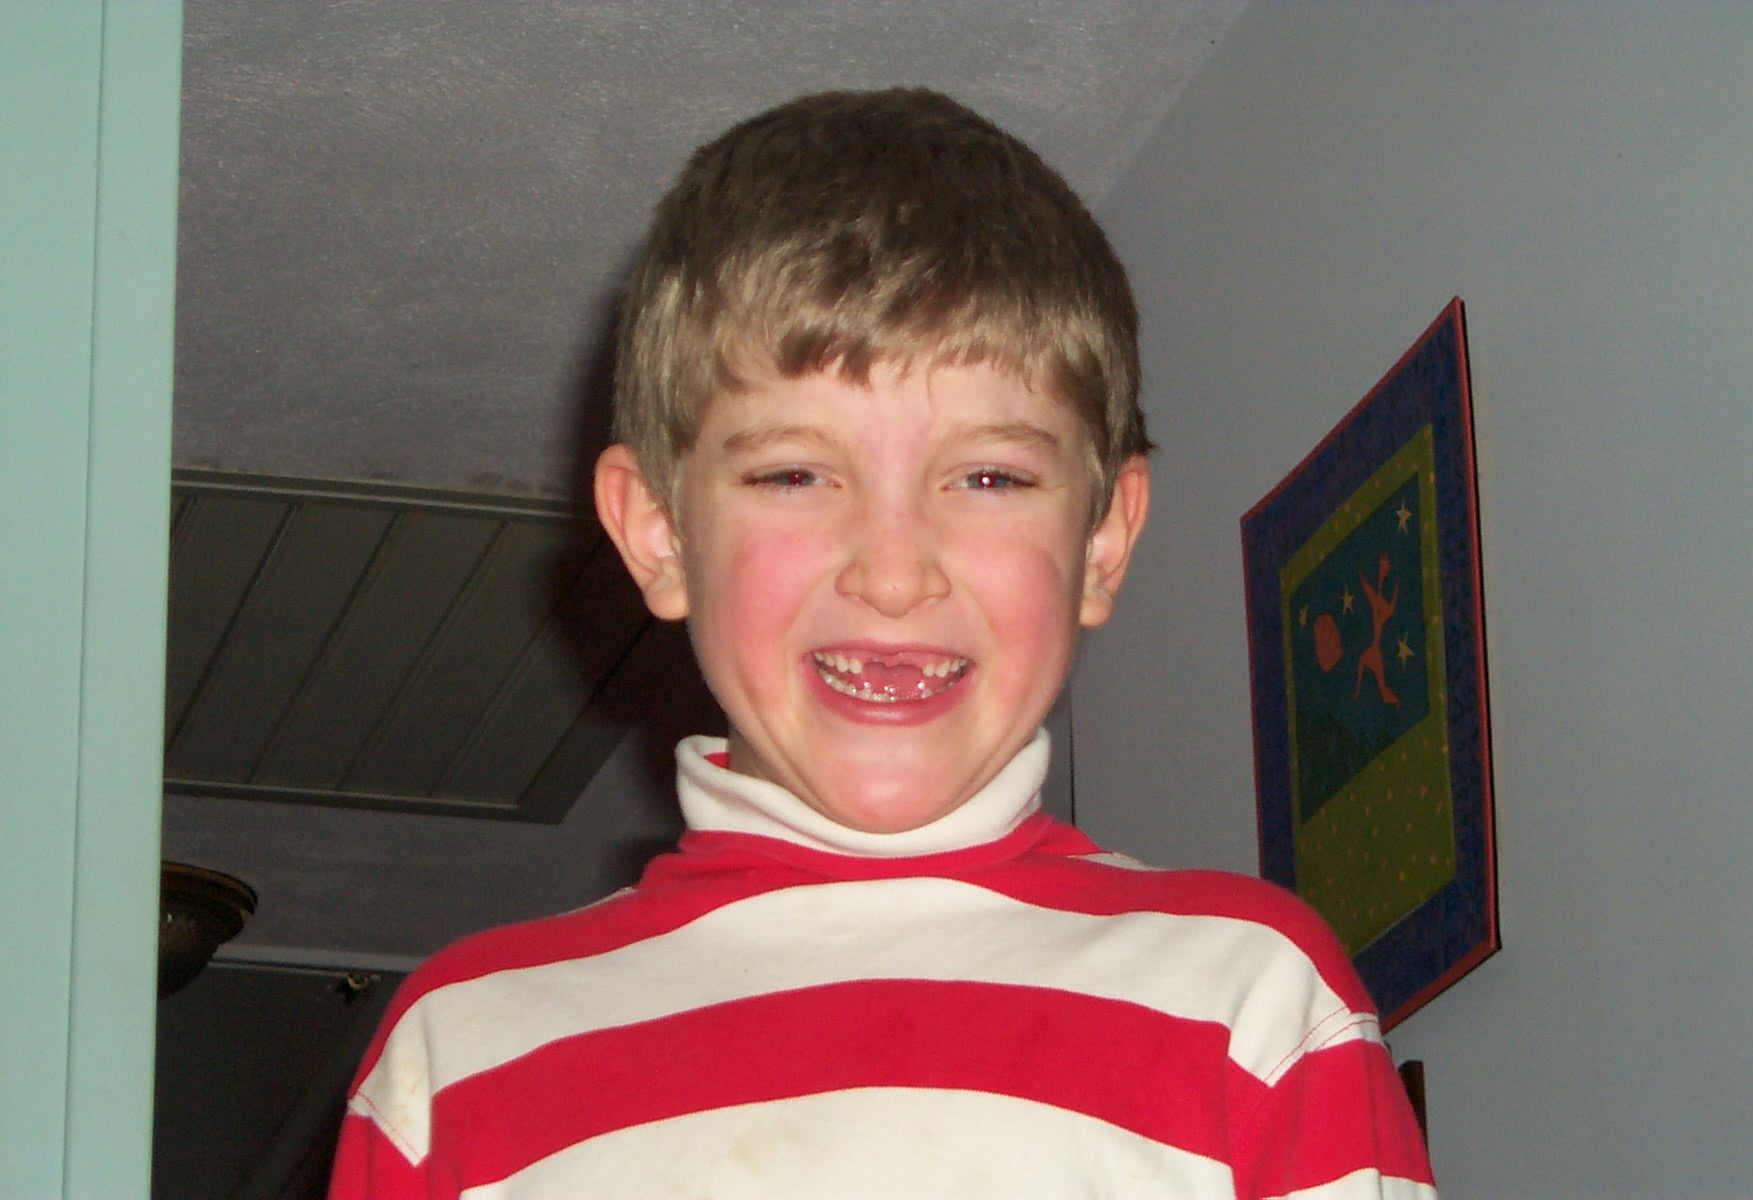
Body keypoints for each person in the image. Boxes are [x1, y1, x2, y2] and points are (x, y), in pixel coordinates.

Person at [327, 87, 1436, 1199]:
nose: (896, 574)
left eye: (989, 478)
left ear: (1101, 539)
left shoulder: (1254, 1005)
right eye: (793, 475)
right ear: (660, 534)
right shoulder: (457, 1064)